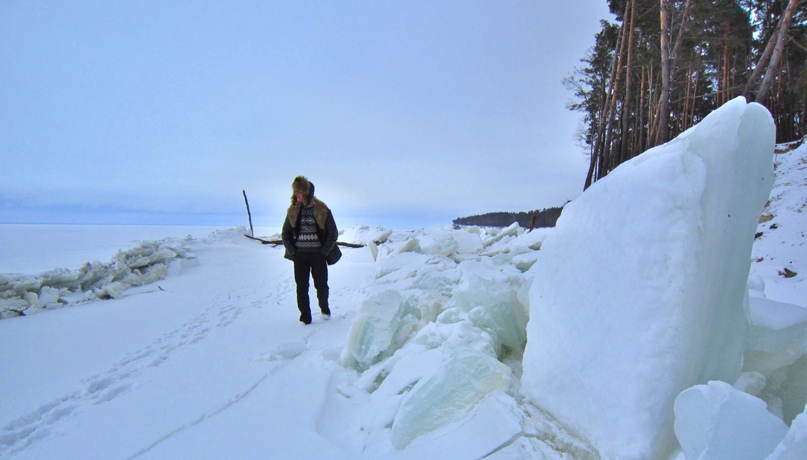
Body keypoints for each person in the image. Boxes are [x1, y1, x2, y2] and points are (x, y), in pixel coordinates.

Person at [281, 176, 338, 325]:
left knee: (321, 286)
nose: (296, 195)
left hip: (318, 256)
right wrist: (293, 252)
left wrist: (323, 252)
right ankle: (305, 318)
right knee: (301, 288)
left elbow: (333, 233)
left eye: (299, 192)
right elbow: (285, 233)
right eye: (295, 192)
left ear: (307, 193)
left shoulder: (322, 210)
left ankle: (325, 310)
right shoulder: (293, 211)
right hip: (300, 257)